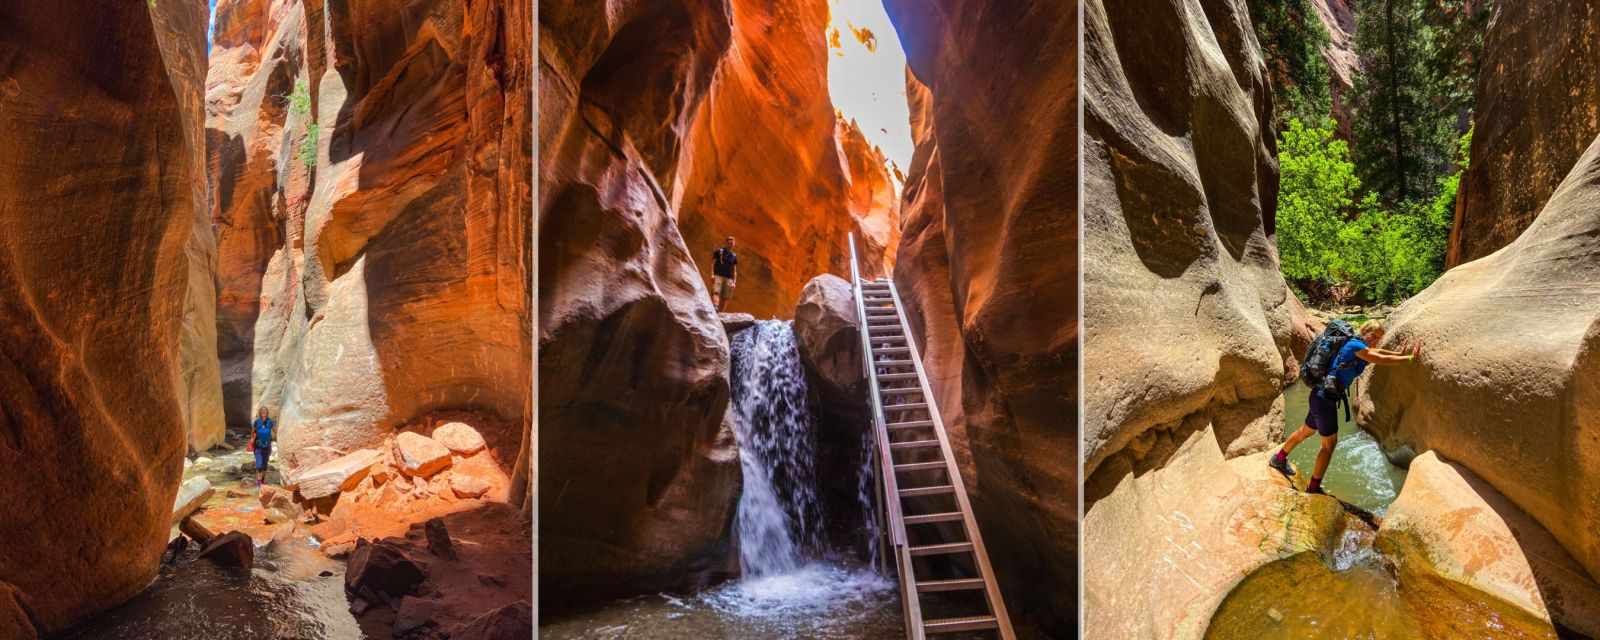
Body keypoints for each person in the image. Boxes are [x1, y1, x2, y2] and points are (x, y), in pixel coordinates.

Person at [1269, 320, 1420, 494]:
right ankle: (1313, 487)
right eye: (1377, 337)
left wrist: (1398, 352)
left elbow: (1376, 352)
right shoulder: (1356, 346)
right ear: (1369, 334)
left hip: (1319, 396)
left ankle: (1278, 459)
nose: (1378, 341)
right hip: (1325, 400)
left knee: (1306, 431)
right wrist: (1407, 359)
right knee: (1329, 445)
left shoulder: (1355, 344)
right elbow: (1378, 358)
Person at [248, 406, 275, 486]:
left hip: (267, 445)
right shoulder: (257, 422)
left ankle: (262, 480)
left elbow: (275, 430)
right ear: (260, 413)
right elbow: (253, 432)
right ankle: (259, 482)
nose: (264, 412)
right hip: (258, 445)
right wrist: (252, 440)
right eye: (262, 411)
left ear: (267, 413)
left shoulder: (270, 422)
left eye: (265, 411)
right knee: (259, 464)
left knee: (264, 465)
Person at [711, 235, 738, 311]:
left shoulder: (734, 256)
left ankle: (722, 314)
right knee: (716, 292)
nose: (731, 244)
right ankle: (715, 306)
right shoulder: (719, 251)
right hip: (718, 275)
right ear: (726, 243)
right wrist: (712, 274)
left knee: (726, 297)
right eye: (729, 243)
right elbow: (713, 263)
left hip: (729, 278)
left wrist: (734, 282)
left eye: (732, 243)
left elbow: (734, 270)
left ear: (734, 244)